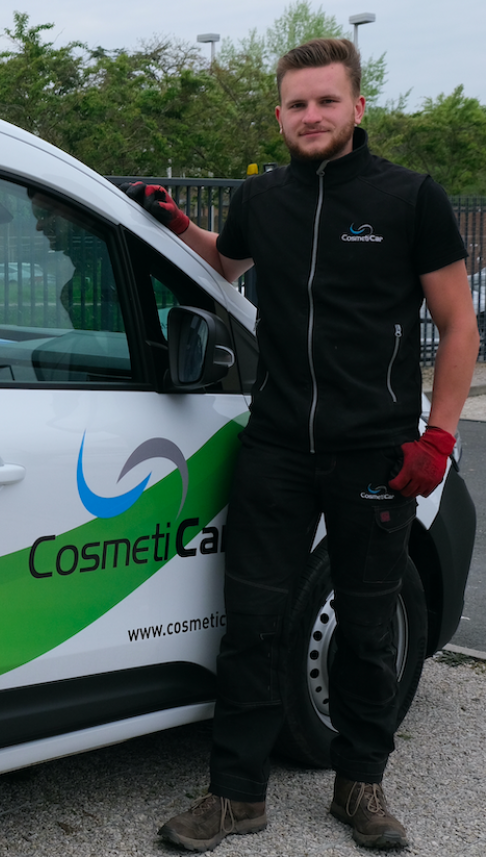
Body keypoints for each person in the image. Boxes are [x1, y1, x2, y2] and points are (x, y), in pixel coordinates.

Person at [124, 38, 477, 852]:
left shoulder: (409, 197)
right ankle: (236, 794)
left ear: (357, 107)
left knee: (364, 624)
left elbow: (459, 324)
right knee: (250, 621)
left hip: (375, 452)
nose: (310, 115)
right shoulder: (264, 199)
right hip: (277, 446)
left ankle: (361, 785)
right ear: (279, 113)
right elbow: (227, 263)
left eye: (325, 101)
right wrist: (178, 222)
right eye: (296, 103)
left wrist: (437, 436)